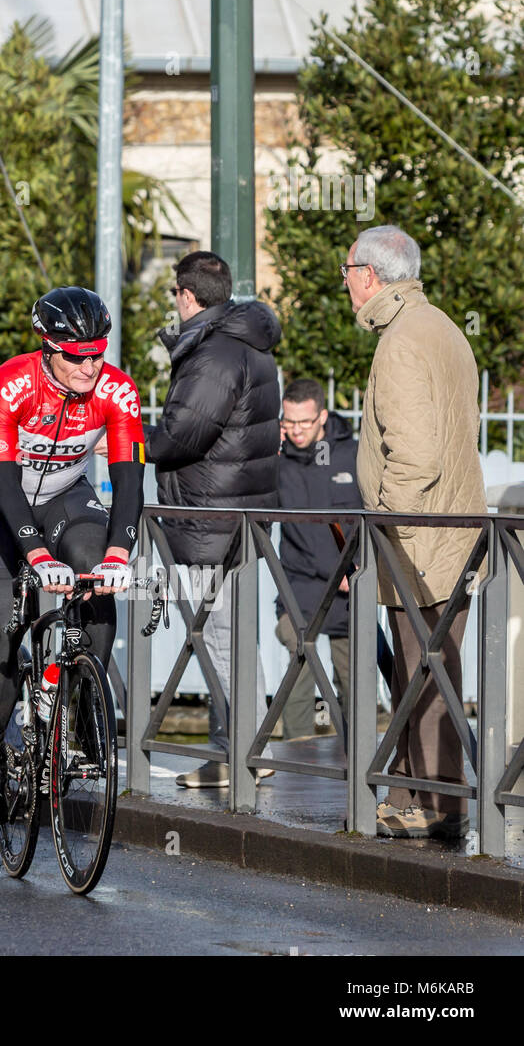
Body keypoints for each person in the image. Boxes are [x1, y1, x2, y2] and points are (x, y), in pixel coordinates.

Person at [0, 286, 146, 825]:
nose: (90, 366)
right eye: (76, 356)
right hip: (1, 502)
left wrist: (120, 553)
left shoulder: (118, 391)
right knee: (4, 625)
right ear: (47, 349)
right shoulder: (10, 383)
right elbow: (2, 480)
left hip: (69, 495)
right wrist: (37, 553)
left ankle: (82, 709)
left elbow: (130, 479)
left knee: (98, 574)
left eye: (99, 353)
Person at [345, 225, 485, 840]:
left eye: (348, 272)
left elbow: (417, 458)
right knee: (427, 671)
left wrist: (380, 518)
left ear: (371, 276)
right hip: (451, 532)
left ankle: (433, 805)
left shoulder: (400, 341)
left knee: (422, 672)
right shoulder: (445, 328)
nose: (346, 284)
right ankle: (420, 797)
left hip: (417, 539)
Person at [145, 252, 281, 789]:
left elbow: (184, 434)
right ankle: (250, 746)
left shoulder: (216, 354)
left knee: (218, 635)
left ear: (186, 295)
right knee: (232, 635)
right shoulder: (246, 343)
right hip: (238, 513)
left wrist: (133, 440)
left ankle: (240, 753)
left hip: (209, 515)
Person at [275, 377, 359, 740]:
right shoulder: (275, 459)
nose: (296, 431)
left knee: (354, 677)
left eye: (304, 423)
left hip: (349, 583)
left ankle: (358, 753)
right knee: (297, 648)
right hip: (300, 584)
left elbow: (373, 514)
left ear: (322, 416)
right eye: (288, 422)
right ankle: (298, 747)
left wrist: (359, 567)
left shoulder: (353, 453)